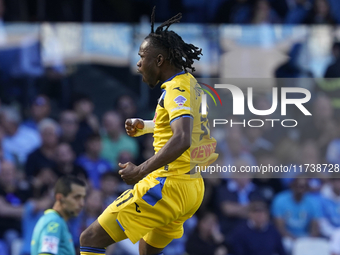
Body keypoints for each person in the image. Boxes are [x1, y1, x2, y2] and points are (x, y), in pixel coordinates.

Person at [80, 7, 218, 255]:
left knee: (90, 238)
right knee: (146, 252)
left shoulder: (177, 89)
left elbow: (183, 138)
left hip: (168, 184)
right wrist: (146, 127)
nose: (138, 63)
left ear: (159, 60)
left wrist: (140, 170)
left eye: (142, 56)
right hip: (192, 188)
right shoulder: (190, 85)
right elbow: (189, 129)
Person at [31, 175, 86, 255]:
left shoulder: (59, 221)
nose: (82, 204)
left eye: (83, 198)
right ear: (59, 198)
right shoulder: (54, 223)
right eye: (76, 197)